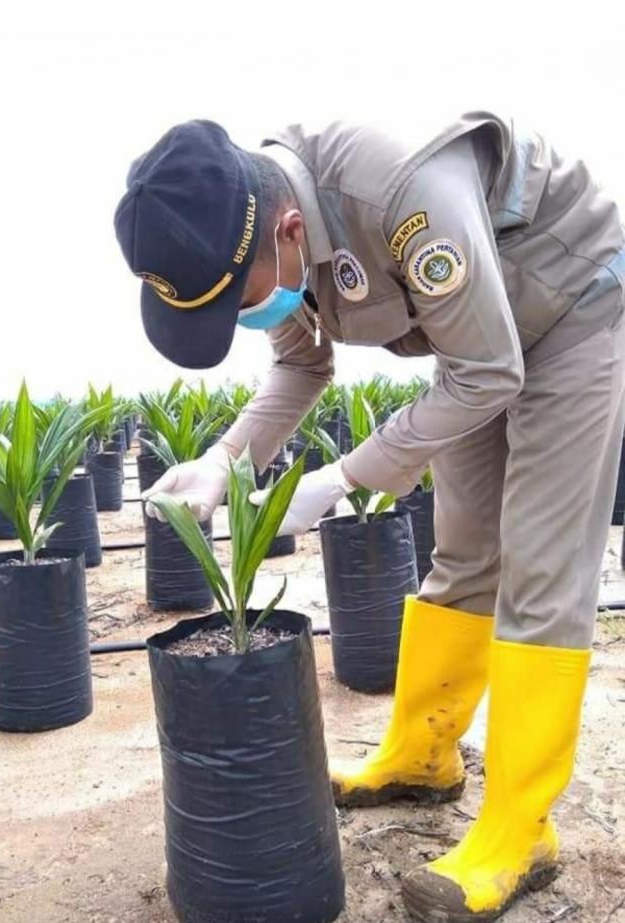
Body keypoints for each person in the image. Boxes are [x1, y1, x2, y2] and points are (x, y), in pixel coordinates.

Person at [112, 113, 625, 922]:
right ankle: (423, 754)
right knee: (463, 551)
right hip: (475, 343)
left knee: (540, 566)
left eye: (232, 305)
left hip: (571, 310)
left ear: (288, 230)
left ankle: (520, 828)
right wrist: (224, 457)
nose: (242, 320)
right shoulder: (260, 232)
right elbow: (301, 360)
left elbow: (493, 371)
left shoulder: (402, 197)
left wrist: (347, 476)